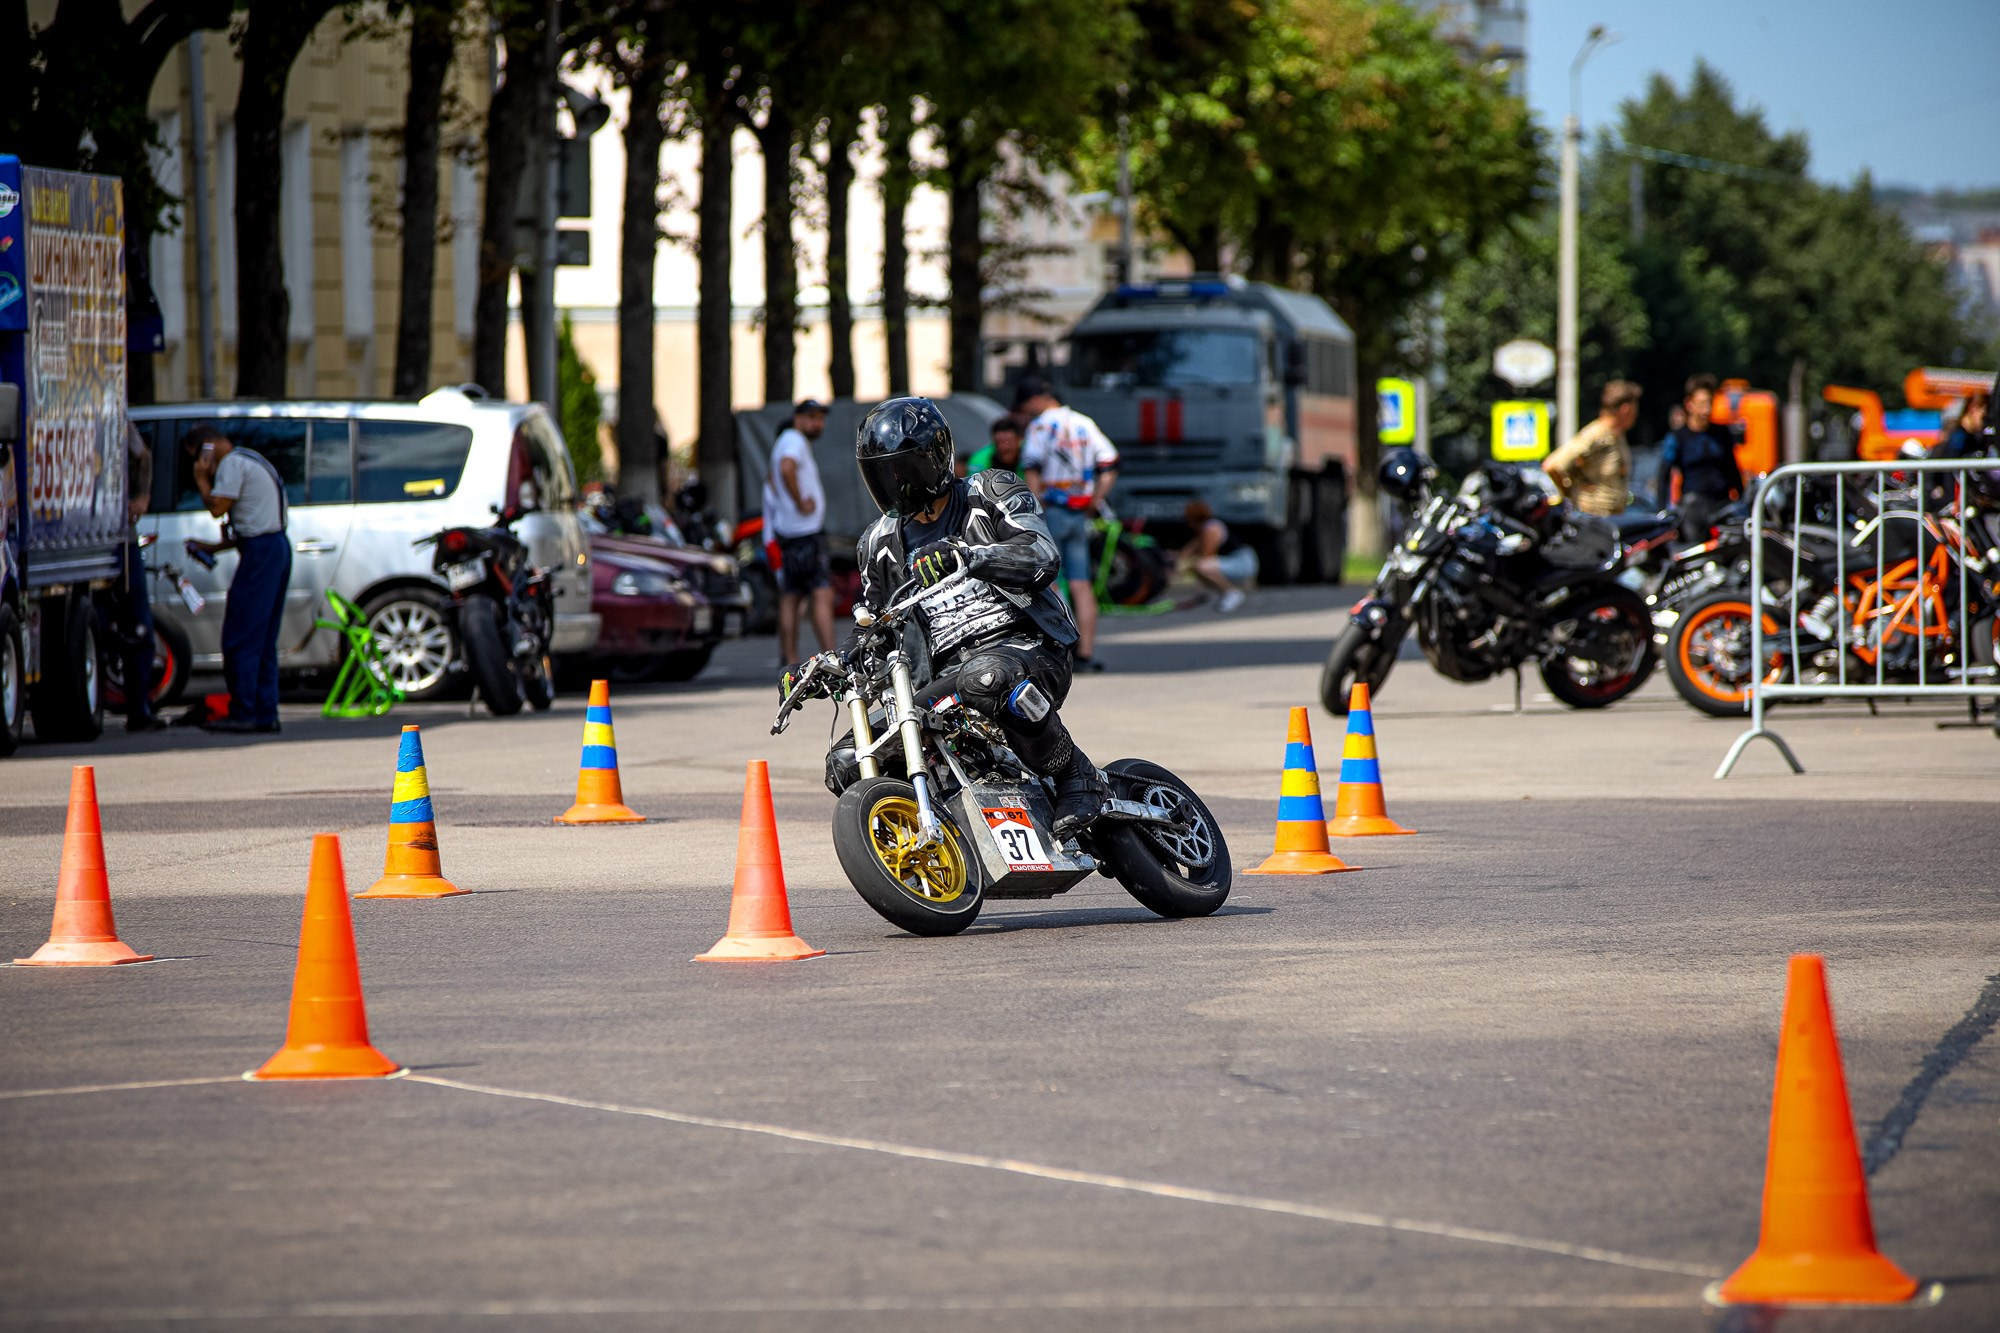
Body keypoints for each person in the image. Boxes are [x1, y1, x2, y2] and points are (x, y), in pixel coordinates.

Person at [815, 396, 1107, 834]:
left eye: (904, 470)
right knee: (848, 761)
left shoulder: (989, 492)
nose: (896, 483)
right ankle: (946, 833)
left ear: (935, 458)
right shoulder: (877, 542)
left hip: (1028, 645)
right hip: (948, 672)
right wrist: (828, 666)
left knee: (985, 678)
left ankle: (1075, 774)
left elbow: (1042, 555)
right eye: (882, 473)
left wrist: (969, 555)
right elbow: (874, 624)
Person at [184, 424, 291, 734]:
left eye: (200, 456)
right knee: (262, 638)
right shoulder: (250, 459)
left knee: (241, 635)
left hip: (261, 553)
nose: (205, 464)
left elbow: (217, 508)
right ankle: (263, 711)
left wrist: (201, 479)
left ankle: (244, 711)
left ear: (208, 446)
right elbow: (253, 523)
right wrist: (213, 547)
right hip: (273, 547)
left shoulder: (231, 464)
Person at [1016, 374, 1119, 672]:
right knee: (1082, 583)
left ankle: (1067, 647)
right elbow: (1110, 463)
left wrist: (1035, 507)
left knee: (1050, 581)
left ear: (1037, 399)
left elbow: (1032, 467)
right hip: (1080, 511)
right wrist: (1095, 500)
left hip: (1054, 510)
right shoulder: (1084, 423)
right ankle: (1087, 652)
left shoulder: (1041, 427)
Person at [762, 399, 836, 666]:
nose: (818, 424)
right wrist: (799, 501)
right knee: (821, 592)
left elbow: (773, 477)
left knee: (791, 595)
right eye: (812, 418)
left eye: (821, 418)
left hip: (790, 531)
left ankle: (790, 657)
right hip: (805, 532)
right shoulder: (793, 440)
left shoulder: (785, 442)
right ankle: (831, 655)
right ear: (798, 419)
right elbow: (786, 468)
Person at [117, 421, 168, 732]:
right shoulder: (111, 412)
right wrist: (142, 497)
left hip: (119, 538)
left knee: (136, 626)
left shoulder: (114, 414)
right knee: (135, 627)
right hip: (119, 538)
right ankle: (138, 710)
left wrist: (141, 497)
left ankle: (139, 709)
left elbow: (143, 455)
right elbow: (143, 455)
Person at [1661, 373, 1744, 541]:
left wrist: (1742, 500)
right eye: (1702, 403)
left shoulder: (1722, 433)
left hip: (1722, 505)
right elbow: (1663, 475)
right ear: (1689, 404)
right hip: (1693, 508)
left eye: (1710, 403)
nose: (1707, 409)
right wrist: (1661, 510)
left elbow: (1733, 469)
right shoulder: (1677, 437)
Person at [1543, 380, 1640, 517]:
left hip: (1611, 519)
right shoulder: (1596, 434)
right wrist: (1569, 492)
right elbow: (1552, 465)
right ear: (1626, 408)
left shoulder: (1617, 435)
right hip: (1592, 520)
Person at [1178, 500, 1256, 612]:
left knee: (1202, 567)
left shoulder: (1212, 528)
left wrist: (1186, 566)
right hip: (1236, 560)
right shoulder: (1204, 529)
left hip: (1242, 561)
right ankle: (1228, 593)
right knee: (1199, 568)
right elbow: (1187, 551)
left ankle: (1232, 593)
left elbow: (1207, 555)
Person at [1931, 390, 1990, 459]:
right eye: (1984, 416)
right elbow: (1950, 465)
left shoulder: (1973, 436)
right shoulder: (1958, 437)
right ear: (1973, 409)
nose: (1986, 422)